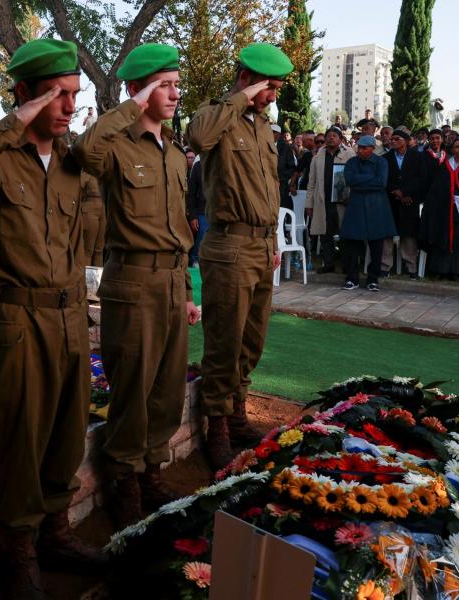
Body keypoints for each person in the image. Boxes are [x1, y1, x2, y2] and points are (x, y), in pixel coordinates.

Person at [0, 38, 104, 598]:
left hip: (71, 315)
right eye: (57, 95)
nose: (70, 107)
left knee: (65, 433)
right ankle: (19, 552)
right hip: (15, 319)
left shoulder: (75, 159)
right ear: (25, 94)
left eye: (75, 95)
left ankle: (55, 532)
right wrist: (13, 121)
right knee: (19, 439)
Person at [73, 43, 200, 526]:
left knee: (167, 390)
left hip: (170, 279)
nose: (174, 94)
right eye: (163, 85)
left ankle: (150, 471)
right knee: (133, 388)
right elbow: (84, 150)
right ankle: (125, 479)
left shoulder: (174, 153)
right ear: (139, 89)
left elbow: (180, 229)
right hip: (132, 281)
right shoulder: (116, 147)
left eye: (175, 85)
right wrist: (129, 105)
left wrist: (187, 292)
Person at [186, 42, 291, 469]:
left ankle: (237, 412)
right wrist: (241, 97)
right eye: (271, 88)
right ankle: (217, 429)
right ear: (249, 80)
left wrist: (276, 240)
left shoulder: (264, 127)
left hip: (262, 244)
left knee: (252, 339)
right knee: (224, 341)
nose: (275, 97)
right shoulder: (219, 116)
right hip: (228, 245)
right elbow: (197, 136)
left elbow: (270, 187)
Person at [339, 135, 395, 291]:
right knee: (351, 243)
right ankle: (352, 278)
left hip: (376, 207)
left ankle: (373, 279)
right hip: (356, 207)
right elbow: (350, 180)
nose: (360, 150)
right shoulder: (351, 162)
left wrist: (360, 182)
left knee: (376, 245)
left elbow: (381, 183)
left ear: (372, 148)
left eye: (364, 148)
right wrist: (370, 179)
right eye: (359, 147)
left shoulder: (381, 162)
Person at [420, 137, 459, 278]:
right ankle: (439, 270)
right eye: (457, 147)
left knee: (458, 238)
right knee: (442, 237)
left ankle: (457, 271)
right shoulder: (445, 166)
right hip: (443, 208)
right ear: (452, 149)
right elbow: (437, 187)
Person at [306, 127, 354, 273]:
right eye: (328, 136)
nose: (331, 138)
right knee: (325, 234)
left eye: (334, 136)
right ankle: (328, 264)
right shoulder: (317, 157)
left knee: (345, 234)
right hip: (323, 201)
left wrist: (349, 196)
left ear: (340, 139)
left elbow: (353, 179)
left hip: (342, 202)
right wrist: (309, 204)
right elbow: (311, 183)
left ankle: (347, 266)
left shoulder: (350, 154)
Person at [383, 129, 427, 278]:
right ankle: (385, 267)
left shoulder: (418, 157)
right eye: (392, 139)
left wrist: (406, 192)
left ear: (407, 141)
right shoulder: (385, 158)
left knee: (409, 235)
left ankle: (411, 267)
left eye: (397, 139)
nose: (393, 141)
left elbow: (421, 179)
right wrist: (396, 191)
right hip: (391, 201)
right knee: (387, 235)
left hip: (410, 201)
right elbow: (383, 179)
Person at [187, 152, 206, 265]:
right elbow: (191, 194)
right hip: (202, 213)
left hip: (221, 214)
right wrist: (193, 217)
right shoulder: (198, 166)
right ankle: (195, 261)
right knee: (200, 241)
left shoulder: (225, 162)